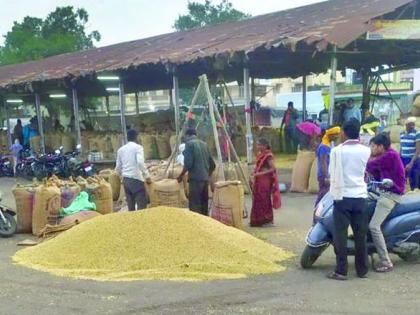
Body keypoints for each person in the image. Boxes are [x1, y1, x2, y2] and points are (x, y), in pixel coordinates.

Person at [328, 118, 371, 280]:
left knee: (340, 236)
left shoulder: (336, 151)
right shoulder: (366, 150)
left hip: (342, 197)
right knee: (361, 236)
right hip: (360, 197)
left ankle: (341, 270)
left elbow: (332, 174)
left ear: (344, 133)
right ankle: (362, 270)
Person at [366, 133, 405, 273]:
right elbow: (373, 171)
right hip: (381, 191)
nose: (371, 148)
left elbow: (370, 165)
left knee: (374, 226)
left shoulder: (390, 156)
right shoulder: (385, 155)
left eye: (373, 146)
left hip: (391, 195)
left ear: (381, 146)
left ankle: (386, 261)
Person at [177, 127, 215, 215]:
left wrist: (181, 175)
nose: (185, 139)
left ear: (187, 135)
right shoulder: (204, 144)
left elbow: (188, 164)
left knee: (195, 206)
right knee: (204, 205)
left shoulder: (189, 144)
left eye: (185, 136)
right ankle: (206, 225)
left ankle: (197, 226)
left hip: (195, 180)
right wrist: (207, 175)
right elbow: (213, 165)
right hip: (205, 181)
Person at [115, 129, 151, 211]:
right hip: (136, 179)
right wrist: (147, 176)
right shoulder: (138, 148)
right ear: (136, 137)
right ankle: (141, 222)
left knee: (130, 206)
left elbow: (118, 167)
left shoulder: (121, 150)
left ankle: (132, 221)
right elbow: (140, 162)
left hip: (126, 180)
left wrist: (121, 177)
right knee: (141, 205)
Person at [250, 138, 281, 227]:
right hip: (258, 180)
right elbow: (258, 166)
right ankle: (256, 220)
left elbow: (273, 169)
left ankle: (266, 220)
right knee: (257, 199)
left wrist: (260, 173)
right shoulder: (260, 155)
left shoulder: (268, 156)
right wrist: (254, 172)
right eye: (257, 145)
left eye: (259, 145)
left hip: (265, 181)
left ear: (264, 146)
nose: (257, 146)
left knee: (264, 199)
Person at [315, 126, 340, 205]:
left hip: (325, 174)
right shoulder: (324, 147)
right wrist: (327, 176)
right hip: (324, 175)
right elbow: (323, 162)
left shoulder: (328, 144)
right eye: (336, 134)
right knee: (323, 195)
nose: (337, 136)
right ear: (330, 135)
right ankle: (318, 210)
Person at [400, 117, 420, 190]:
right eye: (410, 124)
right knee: (403, 179)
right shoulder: (401, 134)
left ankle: (415, 197)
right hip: (404, 159)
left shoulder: (417, 133)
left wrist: (411, 163)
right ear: (406, 125)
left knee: (414, 181)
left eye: (413, 124)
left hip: (414, 160)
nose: (412, 126)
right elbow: (401, 147)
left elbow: (418, 150)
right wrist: (400, 159)